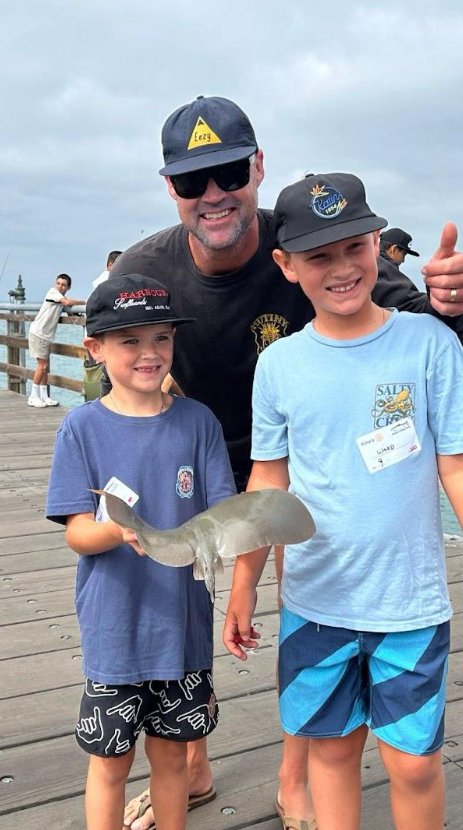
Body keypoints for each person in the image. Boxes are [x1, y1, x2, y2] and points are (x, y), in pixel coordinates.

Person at [111, 96, 463, 830]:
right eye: (192, 182)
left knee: (305, 595)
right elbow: (116, 355)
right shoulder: (148, 264)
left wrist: (450, 306)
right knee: (184, 594)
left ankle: (298, 774)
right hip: (195, 447)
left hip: (294, 455)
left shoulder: (310, 235)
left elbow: (408, 326)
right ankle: (190, 759)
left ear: (255, 168)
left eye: (226, 174)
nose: (213, 195)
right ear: (171, 190)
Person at [223, 172, 463, 830]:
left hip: (411, 605)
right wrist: (245, 582)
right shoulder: (278, 365)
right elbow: (267, 483)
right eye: (318, 256)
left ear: (376, 244)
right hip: (315, 602)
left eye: (353, 247)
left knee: (415, 761)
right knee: (332, 754)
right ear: (285, 266)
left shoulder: (429, 344)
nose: (341, 269)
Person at [46, 274, 236, 830]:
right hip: (115, 628)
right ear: (95, 349)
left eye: (162, 338)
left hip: (183, 629)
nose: (149, 353)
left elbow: (222, 514)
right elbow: (76, 533)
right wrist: (118, 531)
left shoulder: (198, 422)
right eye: (130, 341)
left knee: (172, 757)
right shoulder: (80, 428)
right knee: (109, 761)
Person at [28, 273, 85, 408]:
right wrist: (84, 302)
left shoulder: (60, 298)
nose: (60, 286)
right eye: (58, 283)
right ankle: (33, 396)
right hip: (38, 333)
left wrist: (76, 314)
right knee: (42, 366)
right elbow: (67, 303)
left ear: (68, 287)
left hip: (45, 335)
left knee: (45, 366)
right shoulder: (53, 293)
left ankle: (44, 396)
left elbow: (69, 309)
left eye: (63, 285)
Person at [84, 251, 124, 401]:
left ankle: (99, 405)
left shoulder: (100, 281)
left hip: (96, 335)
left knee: (100, 375)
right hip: (104, 336)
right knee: (106, 376)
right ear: (110, 265)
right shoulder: (109, 280)